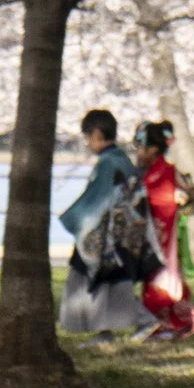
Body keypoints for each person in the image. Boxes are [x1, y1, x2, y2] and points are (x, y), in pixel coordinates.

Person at [58, 109, 153, 335]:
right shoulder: (120, 160)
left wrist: (74, 218)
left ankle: (141, 321)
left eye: (88, 136)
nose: (87, 142)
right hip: (121, 235)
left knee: (95, 282)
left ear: (98, 134)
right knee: (109, 285)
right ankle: (107, 331)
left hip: (105, 236)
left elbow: (97, 201)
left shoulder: (108, 163)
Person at [132, 121, 194, 342]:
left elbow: (190, 202)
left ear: (154, 149)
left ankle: (168, 323)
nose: (139, 154)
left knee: (163, 279)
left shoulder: (169, 172)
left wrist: (187, 198)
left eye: (142, 148)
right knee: (153, 279)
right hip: (150, 234)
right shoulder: (146, 173)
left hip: (166, 235)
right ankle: (164, 322)